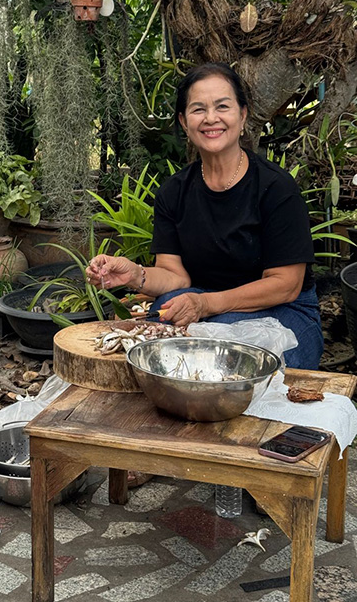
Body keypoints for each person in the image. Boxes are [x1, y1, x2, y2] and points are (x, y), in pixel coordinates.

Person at [86, 62, 323, 371]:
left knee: (224, 359)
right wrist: (135, 275)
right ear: (184, 122)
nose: (211, 118)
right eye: (199, 110)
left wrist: (206, 304)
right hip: (206, 305)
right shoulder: (173, 192)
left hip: (283, 312)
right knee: (164, 323)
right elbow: (175, 277)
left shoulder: (277, 189)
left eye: (222, 107)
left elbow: (285, 285)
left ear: (243, 115)